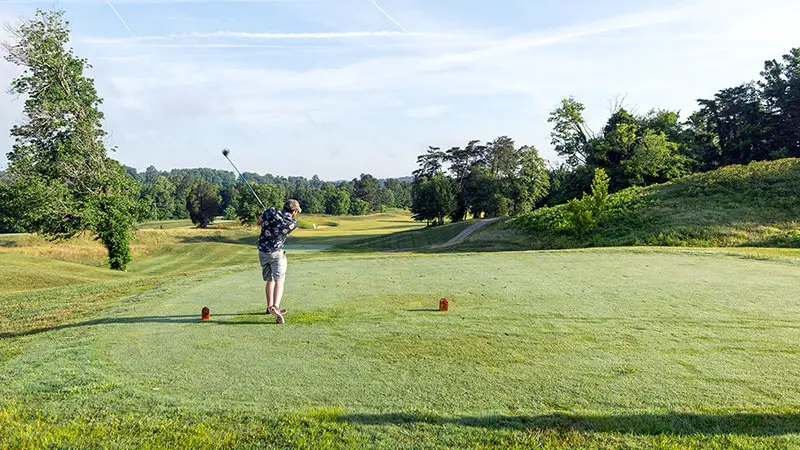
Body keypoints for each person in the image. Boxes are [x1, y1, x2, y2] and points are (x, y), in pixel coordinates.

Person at [257, 199, 301, 324]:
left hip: (262, 251)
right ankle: (275, 306)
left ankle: (269, 307)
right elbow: (282, 230)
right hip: (276, 252)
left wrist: (266, 214)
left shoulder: (271, 211)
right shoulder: (292, 222)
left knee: (269, 279)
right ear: (293, 211)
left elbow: (258, 222)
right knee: (279, 280)